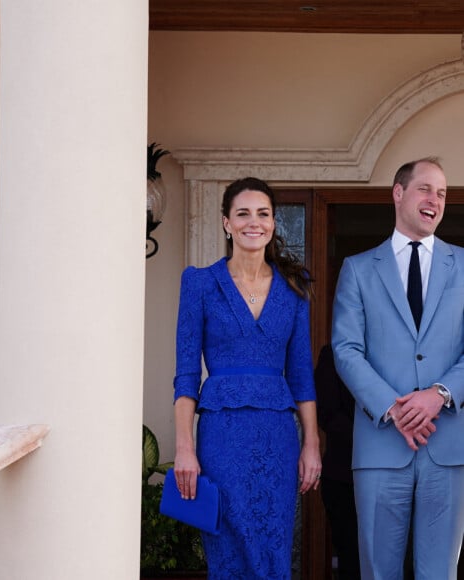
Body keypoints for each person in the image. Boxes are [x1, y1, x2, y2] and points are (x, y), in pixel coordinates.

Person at [172, 176, 321, 579]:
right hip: (221, 436)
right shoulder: (199, 283)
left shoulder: (294, 287)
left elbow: (302, 377)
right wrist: (184, 448)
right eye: (243, 213)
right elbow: (185, 377)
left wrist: (311, 444)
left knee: (273, 548)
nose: (253, 222)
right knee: (228, 548)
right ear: (226, 222)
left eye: (263, 213)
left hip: (277, 436)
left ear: (273, 223)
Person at [332, 157, 464, 580]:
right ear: (398, 192)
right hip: (380, 447)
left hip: (448, 450)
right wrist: (395, 408)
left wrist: (438, 394)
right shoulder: (357, 269)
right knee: (377, 572)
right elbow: (346, 349)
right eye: (425, 189)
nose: (435, 200)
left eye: (442, 193)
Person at [315, 344, 361, 580]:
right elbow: (326, 413)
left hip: (400, 475)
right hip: (345, 478)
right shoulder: (332, 353)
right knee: (352, 564)